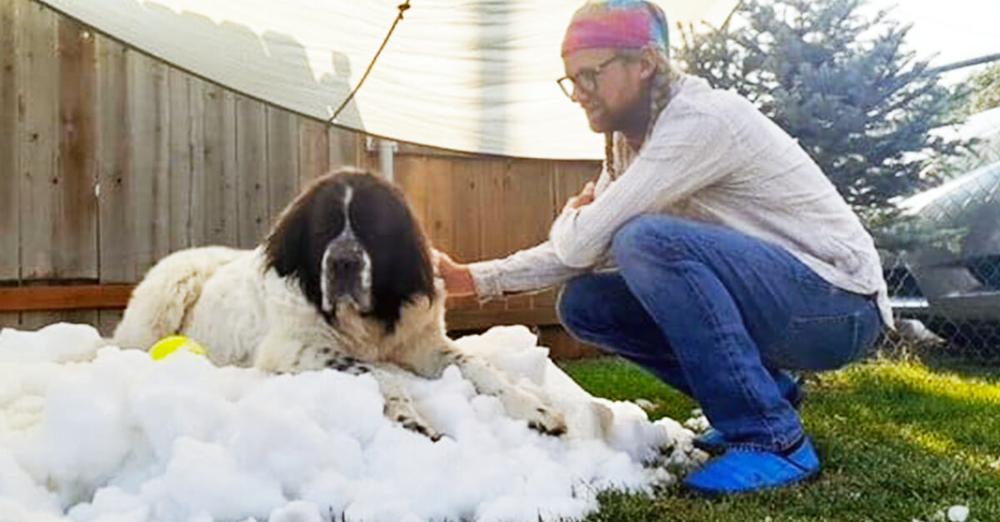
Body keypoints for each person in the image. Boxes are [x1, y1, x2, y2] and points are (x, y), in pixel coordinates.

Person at [435, 0, 891, 496]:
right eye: (571, 80)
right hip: (786, 302)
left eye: (591, 74)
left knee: (645, 240)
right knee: (585, 304)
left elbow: (583, 239)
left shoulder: (699, 120)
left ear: (646, 63)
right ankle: (767, 394)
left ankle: (772, 438)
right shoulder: (631, 145)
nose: (579, 94)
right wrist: (474, 279)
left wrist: (573, 215)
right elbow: (579, 255)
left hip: (840, 308)